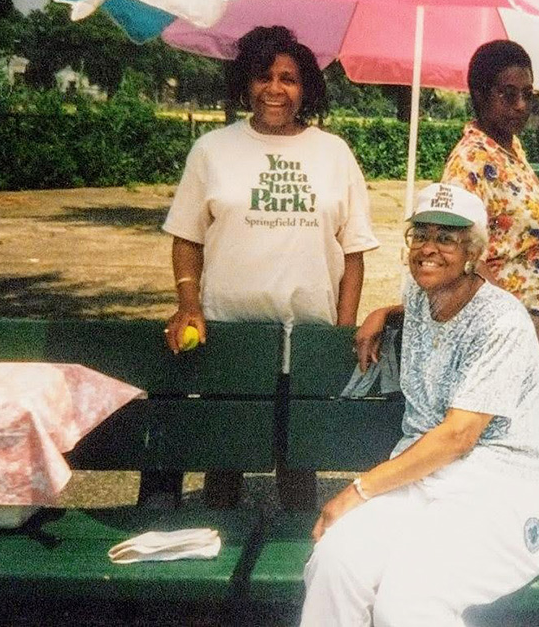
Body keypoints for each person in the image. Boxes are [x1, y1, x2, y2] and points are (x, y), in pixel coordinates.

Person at [299, 183, 539, 627]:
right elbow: (426, 302)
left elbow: (459, 436)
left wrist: (358, 490)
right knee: (336, 564)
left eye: (446, 238)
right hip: (424, 477)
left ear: (472, 252)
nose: (428, 248)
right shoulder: (421, 296)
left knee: (407, 602)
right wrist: (384, 313)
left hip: (502, 488)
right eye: (420, 235)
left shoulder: (502, 322)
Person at [154, 25, 380, 507]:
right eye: (263, 77)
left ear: (306, 89)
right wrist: (188, 304)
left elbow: (354, 254)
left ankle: (297, 568)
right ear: (245, 83)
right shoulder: (212, 150)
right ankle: (220, 569)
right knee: (224, 471)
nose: (275, 90)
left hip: (306, 338)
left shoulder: (333, 153)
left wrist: (339, 333)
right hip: (230, 336)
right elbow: (187, 238)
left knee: (298, 474)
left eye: (289, 79)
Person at [441, 40, 539, 340]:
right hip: (499, 332)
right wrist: (514, 316)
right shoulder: (471, 160)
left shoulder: (510, 148)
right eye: (508, 94)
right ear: (480, 95)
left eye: (528, 94)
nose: (521, 105)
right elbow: (457, 256)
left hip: (532, 330)